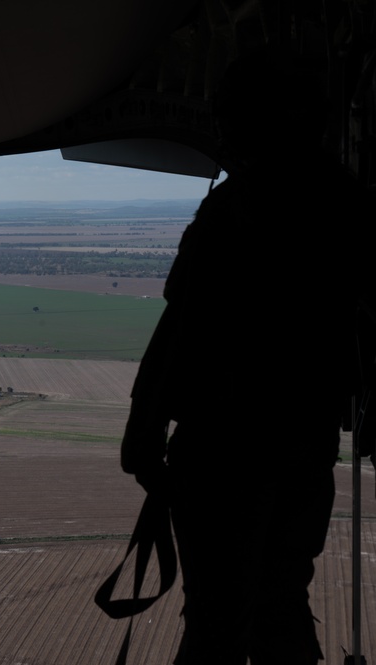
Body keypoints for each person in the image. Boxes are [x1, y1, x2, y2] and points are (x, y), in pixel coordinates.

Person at [121, 53, 373, 665]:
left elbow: (184, 327)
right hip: (304, 446)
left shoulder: (235, 209)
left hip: (225, 447)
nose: (222, 131)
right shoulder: (351, 206)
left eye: (231, 118)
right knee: (280, 602)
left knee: (217, 620)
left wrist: (144, 429)